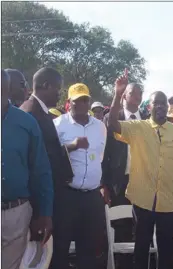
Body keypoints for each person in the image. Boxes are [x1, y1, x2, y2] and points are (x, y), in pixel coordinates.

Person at [107, 69, 173, 269]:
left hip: (170, 203)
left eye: (164, 102)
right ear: (149, 106)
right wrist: (118, 94)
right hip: (143, 200)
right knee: (142, 247)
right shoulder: (138, 127)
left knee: (167, 249)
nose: (161, 106)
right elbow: (112, 124)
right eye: (157, 102)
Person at [1, 69, 54, 269]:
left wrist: (45, 213)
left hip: (17, 213)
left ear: (6, 90)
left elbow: (41, 170)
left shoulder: (26, 123)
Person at [52, 83, 107, 269]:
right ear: (69, 103)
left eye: (86, 100)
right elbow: (50, 156)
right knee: (61, 246)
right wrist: (72, 145)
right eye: (78, 101)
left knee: (89, 249)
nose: (83, 104)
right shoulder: (58, 125)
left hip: (92, 197)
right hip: (67, 196)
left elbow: (101, 158)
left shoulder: (100, 126)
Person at [102, 82, 147, 253]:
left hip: (143, 182)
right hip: (119, 183)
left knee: (142, 227)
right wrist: (103, 184)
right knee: (121, 227)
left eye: (140, 93)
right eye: (133, 93)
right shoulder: (112, 118)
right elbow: (104, 153)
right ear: (124, 96)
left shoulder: (147, 119)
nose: (137, 96)